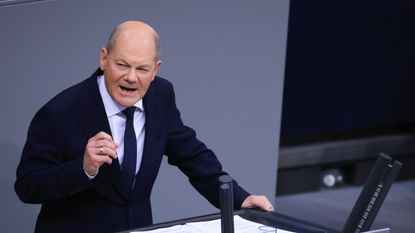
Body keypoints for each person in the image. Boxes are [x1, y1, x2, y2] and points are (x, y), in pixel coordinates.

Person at [15, 21, 273, 233]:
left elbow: (191, 155)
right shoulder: (61, 112)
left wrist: (240, 199)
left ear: (155, 70)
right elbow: (28, 185)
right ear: (104, 58)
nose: (131, 77)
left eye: (142, 69)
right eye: (122, 65)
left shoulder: (160, 95)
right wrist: (82, 169)